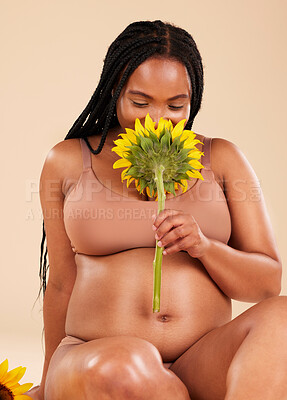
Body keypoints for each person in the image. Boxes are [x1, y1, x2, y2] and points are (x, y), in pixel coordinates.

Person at [28, 20, 286, 400]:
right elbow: (62, 282)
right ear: (115, 89)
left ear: (192, 100)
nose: (156, 119)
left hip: (200, 361)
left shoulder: (224, 159)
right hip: (95, 359)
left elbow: (267, 284)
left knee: (283, 320)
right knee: (127, 364)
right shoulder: (66, 162)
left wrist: (205, 247)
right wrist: (49, 379)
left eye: (175, 105)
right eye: (140, 102)